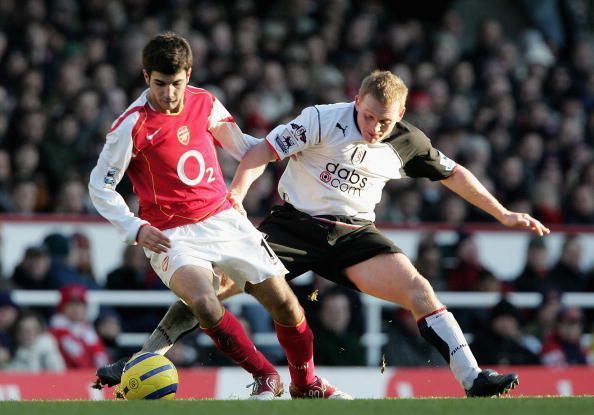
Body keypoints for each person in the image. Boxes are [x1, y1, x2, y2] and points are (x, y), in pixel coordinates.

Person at [96, 70, 550, 397]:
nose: (374, 128)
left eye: (385, 122)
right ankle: (139, 359)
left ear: (402, 115)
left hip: (354, 236)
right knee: (211, 289)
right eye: (369, 116)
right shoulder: (320, 119)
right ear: (357, 101)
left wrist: (504, 213)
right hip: (294, 226)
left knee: (418, 288)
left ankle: (472, 379)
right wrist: (237, 191)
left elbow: (454, 173)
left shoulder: (408, 142)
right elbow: (262, 152)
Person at [89, 32, 349, 400]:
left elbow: (243, 146)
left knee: (287, 306)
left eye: (176, 83)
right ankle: (264, 376)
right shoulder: (131, 125)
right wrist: (135, 228)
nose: (169, 94)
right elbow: (100, 186)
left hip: (225, 219)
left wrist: (294, 146)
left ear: (189, 75)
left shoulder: (205, 103)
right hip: (171, 233)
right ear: (146, 76)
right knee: (204, 301)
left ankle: (305, 385)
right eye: (160, 84)